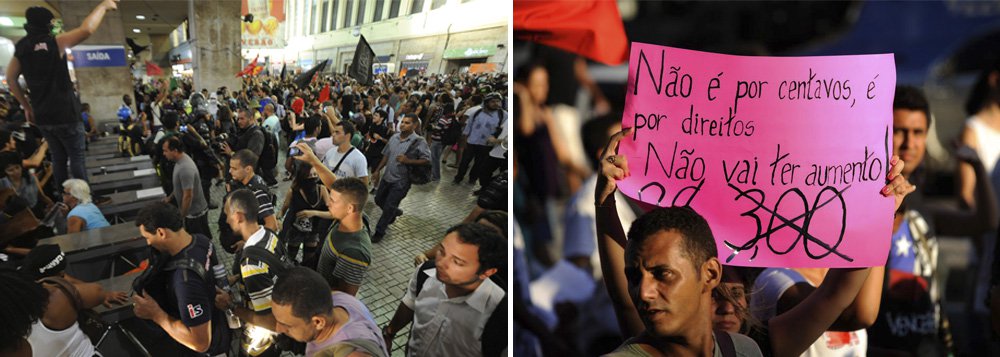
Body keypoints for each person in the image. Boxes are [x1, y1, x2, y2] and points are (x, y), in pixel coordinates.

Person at [594, 128, 913, 357]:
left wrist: (878, 214)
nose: (644, 292)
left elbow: (835, 295)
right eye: (634, 277)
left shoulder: (745, 350)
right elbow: (623, 300)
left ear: (710, 274)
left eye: (663, 274)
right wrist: (604, 204)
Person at [867, 86, 998, 356]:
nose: (909, 143)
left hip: (929, 346)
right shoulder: (864, 203)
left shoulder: (921, 206)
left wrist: (977, 167)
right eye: (899, 131)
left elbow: (986, 221)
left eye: (918, 133)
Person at [6, 1, 120, 187]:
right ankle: (83, 197)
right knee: (76, 157)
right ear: (47, 24)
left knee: (58, 158)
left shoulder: (22, 47)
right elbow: (86, 30)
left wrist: (27, 107)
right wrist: (103, 6)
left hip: (43, 115)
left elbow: (11, 79)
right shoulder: (54, 43)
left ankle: (63, 195)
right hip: (65, 112)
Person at [382, 223, 506, 357]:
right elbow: (410, 303)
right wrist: (389, 333)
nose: (441, 263)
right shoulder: (425, 273)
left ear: (487, 272)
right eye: (442, 251)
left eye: (457, 262)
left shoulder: (503, 317)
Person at [130, 202, 231, 355]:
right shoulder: (202, 240)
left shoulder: (185, 280)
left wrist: (156, 315)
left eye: (147, 237)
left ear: (161, 232)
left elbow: (201, 343)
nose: (148, 243)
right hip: (219, 327)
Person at [216, 188, 286, 354]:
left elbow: (271, 322)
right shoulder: (269, 234)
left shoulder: (251, 264)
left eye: (227, 214)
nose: (226, 220)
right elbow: (269, 272)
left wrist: (231, 305)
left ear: (238, 216)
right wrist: (238, 277)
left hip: (262, 342)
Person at [271, 266, 389, 357]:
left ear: (318, 322)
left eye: (287, 325)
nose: (278, 329)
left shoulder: (352, 352)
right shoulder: (338, 297)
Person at [370, 114, 431, 243]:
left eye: (407, 123)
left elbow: (426, 159)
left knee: (388, 207)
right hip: (387, 177)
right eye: (402, 122)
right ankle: (394, 212)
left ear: (415, 125)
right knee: (378, 199)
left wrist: (408, 161)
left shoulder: (419, 141)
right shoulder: (394, 137)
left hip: (401, 182)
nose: (403, 124)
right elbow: (386, 155)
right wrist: (377, 171)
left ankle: (379, 232)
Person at [221, 149, 278, 253]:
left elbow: (272, 225)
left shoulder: (257, 192)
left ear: (248, 169)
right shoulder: (248, 182)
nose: (230, 171)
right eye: (230, 167)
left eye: (234, 168)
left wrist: (247, 241)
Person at [162, 137, 211, 240]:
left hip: (195, 215)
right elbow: (179, 186)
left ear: (175, 151)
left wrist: (182, 216)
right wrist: (170, 198)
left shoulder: (185, 168)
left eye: (166, 151)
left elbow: (188, 196)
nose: (164, 154)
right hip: (191, 213)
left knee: (200, 240)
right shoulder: (180, 161)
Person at [453, 92, 505, 187]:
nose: (496, 104)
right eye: (493, 101)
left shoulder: (503, 115)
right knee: (464, 162)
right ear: (487, 102)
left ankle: (472, 179)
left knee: (479, 164)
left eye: (498, 101)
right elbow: (468, 127)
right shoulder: (477, 113)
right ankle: (458, 178)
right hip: (471, 142)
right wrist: (464, 141)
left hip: (486, 145)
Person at [322, 120, 369, 186]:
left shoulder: (359, 158)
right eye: (333, 132)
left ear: (348, 136)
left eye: (337, 132)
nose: (333, 135)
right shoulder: (330, 152)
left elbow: (364, 184)